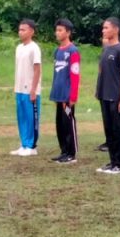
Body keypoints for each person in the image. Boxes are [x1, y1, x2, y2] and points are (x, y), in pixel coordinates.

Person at [96, 18, 120, 174]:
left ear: (115, 30)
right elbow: (101, 71)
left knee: (118, 130)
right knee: (108, 131)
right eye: (103, 28)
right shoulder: (106, 49)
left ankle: (119, 164)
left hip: (116, 97)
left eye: (106, 28)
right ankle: (112, 161)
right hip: (104, 95)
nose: (103, 30)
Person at [50, 19, 81, 164]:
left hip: (67, 96)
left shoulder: (72, 51)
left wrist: (73, 95)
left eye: (61, 30)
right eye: (57, 30)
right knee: (59, 124)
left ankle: (71, 153)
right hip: (58, 94)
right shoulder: (57, 51)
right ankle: (63, 151)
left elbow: (75, 75)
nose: (58, 33)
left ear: (68, 32)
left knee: (68, 123)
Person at [11, 19, 42, 157]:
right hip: (19, 89)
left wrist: (33, 89)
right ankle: (24, 144)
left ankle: (31, 145)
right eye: (19, 29)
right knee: (22, 117)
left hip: (30, 90)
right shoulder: (19, 48)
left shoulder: (34, 48)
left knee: (31, 118)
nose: (20, 32)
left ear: (31, 31)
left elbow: (37, 69)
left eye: (23, 30)